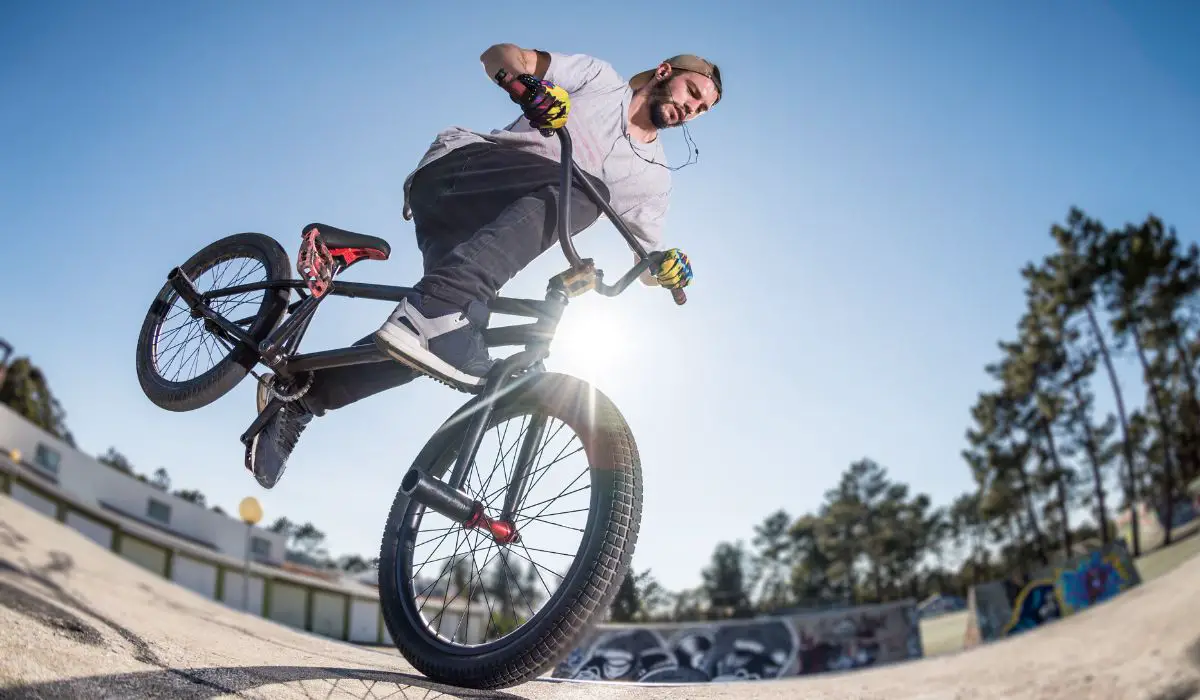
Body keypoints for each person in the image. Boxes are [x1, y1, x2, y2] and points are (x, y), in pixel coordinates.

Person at [245, 44, 722, 489]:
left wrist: (665, 269)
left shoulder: (654, 178)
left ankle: (301, 398)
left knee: (434, 347)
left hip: (479, 238)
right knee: (582, 191)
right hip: (460, 175)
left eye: (702, 110)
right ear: (665, 73)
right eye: (692, 93)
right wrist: (525, 85)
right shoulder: (600, 81)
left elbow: (647, 254)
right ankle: (439, 305)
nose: (691, 109)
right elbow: (499, 54)